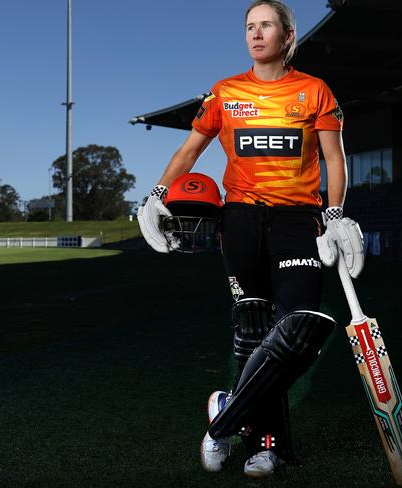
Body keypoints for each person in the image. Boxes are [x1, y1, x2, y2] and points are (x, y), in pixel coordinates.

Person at [137, 0, 364, 479]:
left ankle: (223, 418)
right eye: (249, 27)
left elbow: (335, 160)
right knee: (254, 333)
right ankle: (269, 448)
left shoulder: (314, 91)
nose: (255, 34)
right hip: (239, 221)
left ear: (287, 37)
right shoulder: (225, 92)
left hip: (298, 221)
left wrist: (337, 212)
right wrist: (156, 196)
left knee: (300, 330)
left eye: (266, 26)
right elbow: (190, 148)